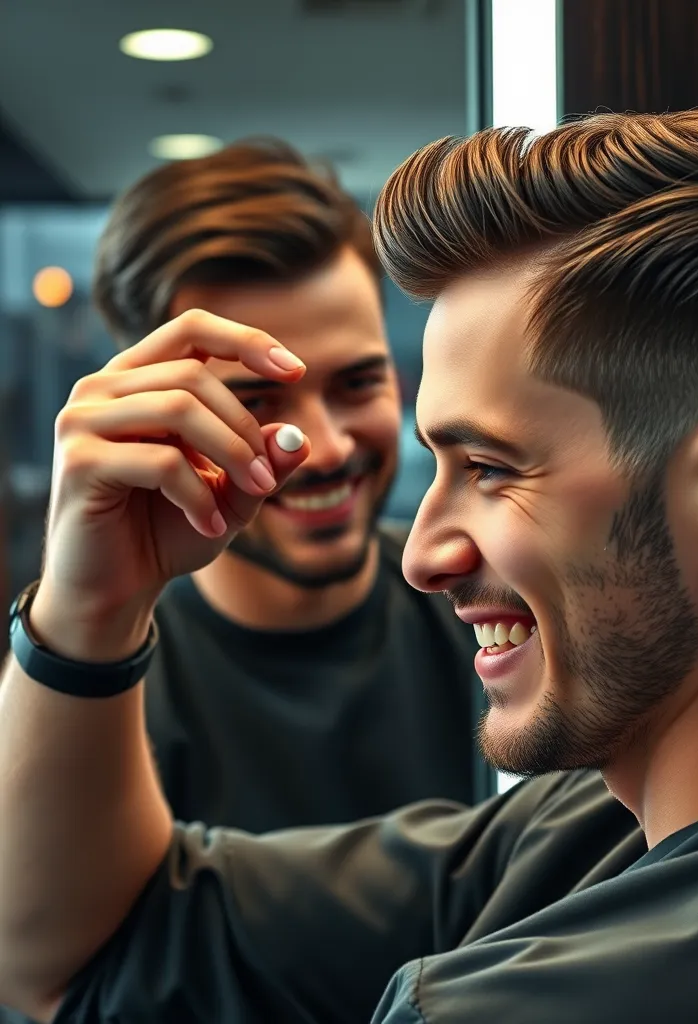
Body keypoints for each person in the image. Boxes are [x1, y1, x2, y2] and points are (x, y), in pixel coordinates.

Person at [0, 110, 698, 1024]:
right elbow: (107, 944)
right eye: (435, 462)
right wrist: (91, 601)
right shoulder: (593, 833)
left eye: (489, 467)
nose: (427, 555)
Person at [88, 140, 490, 833]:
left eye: (357, 382)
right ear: (157, 413)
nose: (326, 449)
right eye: (255, 401)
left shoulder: (486, 614)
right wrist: (85, 614)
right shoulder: (98, 683)